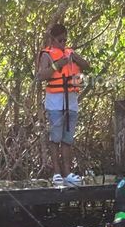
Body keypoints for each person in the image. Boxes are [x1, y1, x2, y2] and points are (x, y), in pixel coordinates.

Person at [37, 23, 89, 186]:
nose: (63, 43)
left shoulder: (70, 53)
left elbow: (88, 67)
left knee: (68, 138)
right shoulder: (47, 54)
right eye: (60, 40)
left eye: (65, 39)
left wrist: (76, 58)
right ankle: (56, 173)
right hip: (55, 102)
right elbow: (41, 75)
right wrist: (58, 64)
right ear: (53, 39)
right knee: (55, 138)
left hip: (71, 101)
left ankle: (68, 173)